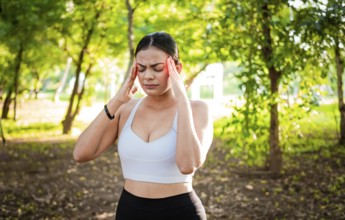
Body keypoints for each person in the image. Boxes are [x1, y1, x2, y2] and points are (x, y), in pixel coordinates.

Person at [73, 31, 213, 220]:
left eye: (156, 68)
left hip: (180, 212)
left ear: (176, 69)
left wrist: (182, 101)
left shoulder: (197, 109)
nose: (148, 76)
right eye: (141, 68)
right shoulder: (125, 110)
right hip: (130, 211)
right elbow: (81, 153)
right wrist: (117, 100)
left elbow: (187, 165)